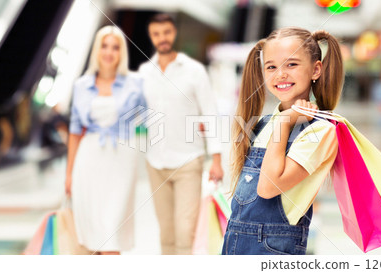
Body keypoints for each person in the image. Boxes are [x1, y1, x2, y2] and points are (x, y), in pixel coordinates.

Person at [222, 27, 343, 255]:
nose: (280, 74)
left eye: (292, 64)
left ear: (316, 69)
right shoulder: (262, 124)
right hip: (234, 241)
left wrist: (286, 122)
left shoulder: (321, 131)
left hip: (273, 248)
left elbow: (269, 187)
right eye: (271, 67)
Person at [138, 14, 223, 255]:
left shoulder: (194, 71)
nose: (161, 38)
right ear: (152, 37)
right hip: (155, 162)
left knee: (185, 232)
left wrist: (216, 159)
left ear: (173, 34)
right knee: (166, 233)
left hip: (188, 161)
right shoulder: (145, 72)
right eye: (156, 34)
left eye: (166, 32)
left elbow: (210, 114)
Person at [65, 25, 146, 255]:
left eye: (115, 47)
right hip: (88, 160)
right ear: (96, 50)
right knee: (92, 235)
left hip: (122, 162)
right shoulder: (81, 85)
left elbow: (150, 119)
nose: (109, 52)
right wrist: (69, 174)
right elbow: (74, 131)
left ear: (121, 53)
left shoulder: (135, 83)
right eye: (104, 46)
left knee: (112, 231)